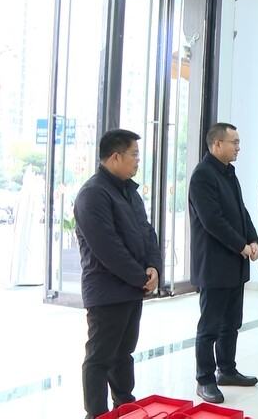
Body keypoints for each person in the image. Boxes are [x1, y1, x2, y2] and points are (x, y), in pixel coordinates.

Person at [74, 129, 162, 418]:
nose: (138, 160)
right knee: (100, 357)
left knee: (123, 353)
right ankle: (96, 413)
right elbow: (107, 248)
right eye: (134, 155)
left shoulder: (128, 191)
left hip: (132, 288)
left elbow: (147, 232)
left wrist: (153, 267)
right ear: (115, 157)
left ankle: (124, 407)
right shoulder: (93, 194)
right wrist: (141, 277)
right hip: (107, 291)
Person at [189, 123, 258, 404]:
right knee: (210, 326)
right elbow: (212, 221)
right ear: (217, 144)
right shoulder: (203, 176)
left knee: (231, 323)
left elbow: (241, 211)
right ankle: (205, 379)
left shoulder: (229, 173)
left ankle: (227, 370)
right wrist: (241, 245)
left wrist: (253, 239)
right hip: (214, 265)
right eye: (235, 142)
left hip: (234, 263)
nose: (238, 147)